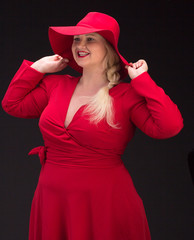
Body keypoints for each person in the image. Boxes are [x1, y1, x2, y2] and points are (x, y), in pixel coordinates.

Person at [1, 12, 183, 240]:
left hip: (104, 203)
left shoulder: (126, 96)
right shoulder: (56, 85)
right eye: (77, 39)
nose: (80, 45)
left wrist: (142, 80)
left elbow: (169, 127)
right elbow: (12, 104)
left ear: (109, 47)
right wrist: (38, 67)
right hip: (51, 200)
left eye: (90, 39)